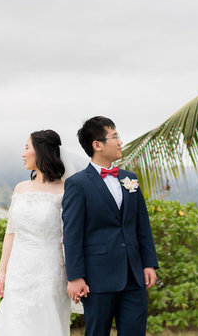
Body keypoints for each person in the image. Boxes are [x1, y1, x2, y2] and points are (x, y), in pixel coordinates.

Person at [62, 116, 158, 336]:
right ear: (97, 145)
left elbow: (141, 226)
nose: (120, 142)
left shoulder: (130, 179)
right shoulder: (77, 184)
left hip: (134, 276)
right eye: (115, 137)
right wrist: (75, 277)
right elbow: (72, 234)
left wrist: (148, 264)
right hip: (97, 280)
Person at [0, 129, 70, 335]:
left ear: (42, 151)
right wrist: (2, 272)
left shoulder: (65, 191)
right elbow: (11, 233)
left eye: (27, 148)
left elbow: (69, 237)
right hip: (18, 271)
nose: (23, 154)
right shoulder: (20, 189)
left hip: (49, 270)